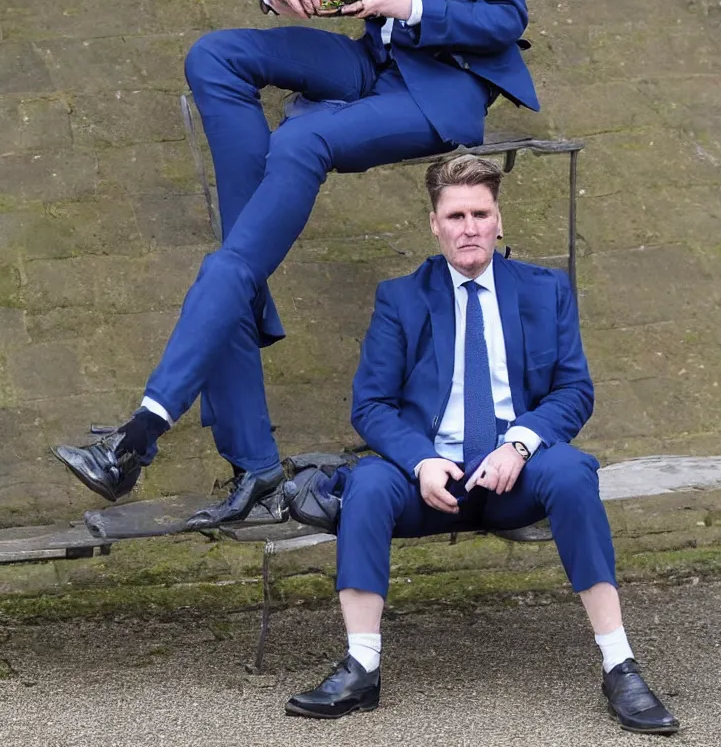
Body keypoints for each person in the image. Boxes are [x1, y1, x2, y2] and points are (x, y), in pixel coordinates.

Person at [52, 0, 538, 530]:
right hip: (370, 65)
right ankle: (244, 272)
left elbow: (505, 17)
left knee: (298, 141)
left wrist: (403, 2)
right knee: (216, 55)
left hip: (440, 88)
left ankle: (141, 434)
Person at [285, 155, 680, 736]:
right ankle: (361, 668)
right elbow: (370, 405)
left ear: (499, 220)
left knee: (572, 473)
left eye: (480, 213)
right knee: (367, 483)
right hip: (429, 480)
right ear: (434, 224)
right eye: (456, 215)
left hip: (513, 476)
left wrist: (518, 446)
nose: (469, 227)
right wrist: (421, 461)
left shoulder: (545, 291)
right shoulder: (401, 298)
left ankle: (619, 664)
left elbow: (574, 391)